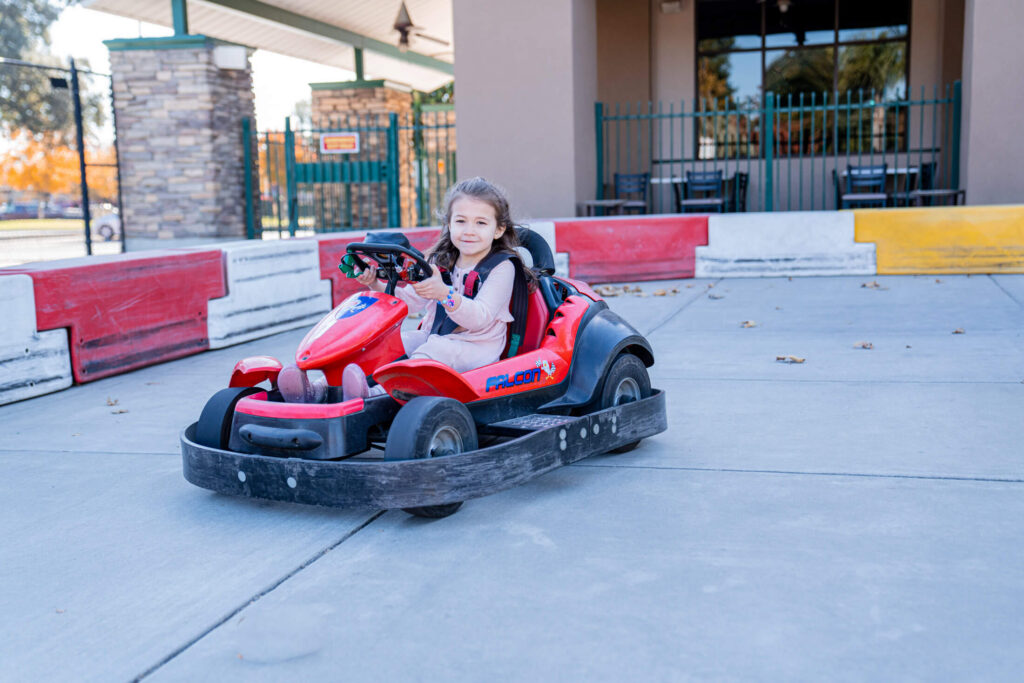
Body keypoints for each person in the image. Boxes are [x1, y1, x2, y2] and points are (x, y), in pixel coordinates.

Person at [278, 177, 529, 403]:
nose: (469, 231)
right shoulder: (440, 261)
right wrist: (374, 283)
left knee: (434, 350)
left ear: (498, 230)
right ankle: (320, 389)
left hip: (477, 348)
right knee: (392, 343)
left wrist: (444, 294)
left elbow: (480, 317)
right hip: (436, 337)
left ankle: (374, 395)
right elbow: (410, 303)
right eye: (461, 221)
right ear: (449, 224)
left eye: (480, 223)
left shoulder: (502, 268)